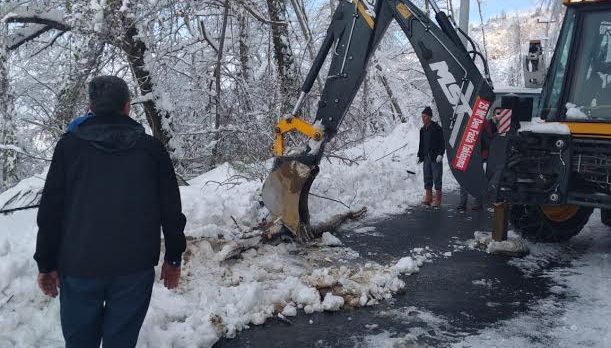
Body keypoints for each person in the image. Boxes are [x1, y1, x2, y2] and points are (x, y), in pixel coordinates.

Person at [34, 76, 187, 348]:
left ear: (89, 106)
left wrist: (46, 263)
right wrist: (174, 258)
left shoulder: (69, 147)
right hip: (134, 267)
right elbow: (171, 209)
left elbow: (51, 211)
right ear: (127, 107)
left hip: (79, 265)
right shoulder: (151, 149)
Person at [457, 117, 495, 211]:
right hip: (470, 154)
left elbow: (487, 140)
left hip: (476, 155)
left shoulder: (481, 123)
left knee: (472, 178)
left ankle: (471, 202)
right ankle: (468, 202)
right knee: (467, 178)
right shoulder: (472, 122)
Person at [417, 106, 445, 208]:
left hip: (435, 157)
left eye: (424, 116)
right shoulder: (422, 130)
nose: (423, 118)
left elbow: (442, 143)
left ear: (429, 117)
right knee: (427, 176)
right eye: (422, 116)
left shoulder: (437, 128)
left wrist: (440, 154)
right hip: (426, 156)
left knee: (437, 177)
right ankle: (428, 197)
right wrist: (419, 156)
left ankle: (438, 198)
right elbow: (421, 144)